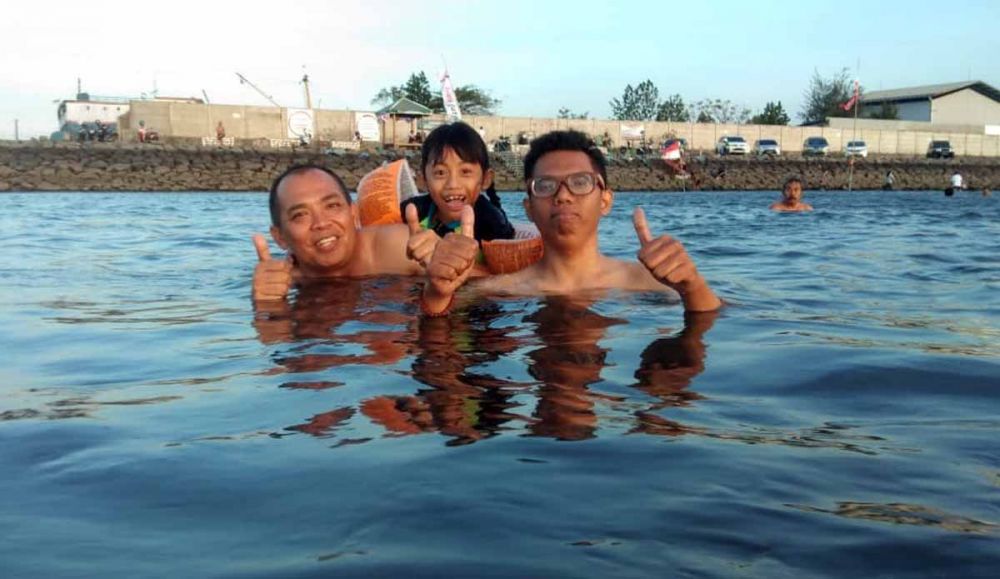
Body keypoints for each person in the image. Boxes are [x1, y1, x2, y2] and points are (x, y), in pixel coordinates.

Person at [419, 129, 722, 315]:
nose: (563, 196)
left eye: (580, 182)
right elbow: (434, 323)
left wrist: (692, 286)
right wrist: (437, 292)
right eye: (546, 186)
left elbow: (713, 319)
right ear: (529, 208)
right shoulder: (500, 290)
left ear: (605, 200)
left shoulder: (652, 282)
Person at [251, 164, 423, 301]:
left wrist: (438, 273)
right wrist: (267, 307)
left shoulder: (399, 248)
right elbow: (274, 333)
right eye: (300, 215)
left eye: (332, 206)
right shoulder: (279, 282)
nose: (321, 223)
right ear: (280, 237)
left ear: (353, 213)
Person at [401, 122, 516, 267]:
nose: (453, 184)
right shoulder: (412, 211)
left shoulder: (493, 225)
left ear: (486, 179)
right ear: (423, 180)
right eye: (440, 173)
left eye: (465, 172)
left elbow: (504, 274)